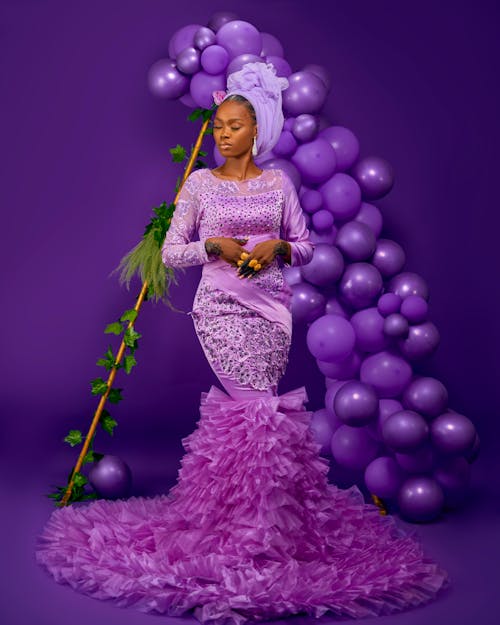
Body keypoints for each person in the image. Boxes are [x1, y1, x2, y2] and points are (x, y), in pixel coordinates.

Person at [34, 62, 450, 625]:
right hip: (219, 309)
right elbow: (172, 253)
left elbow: (304, 247)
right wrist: (216, 245)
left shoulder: (279, 184)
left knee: (258, 411)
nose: (224, 134)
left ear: (257, 132)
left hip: (272, 312)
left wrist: (276, 248)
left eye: (234, 126)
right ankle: (246, 531)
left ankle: (266, 522)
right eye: (220, 126)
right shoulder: (201, 184)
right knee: (254, 410)